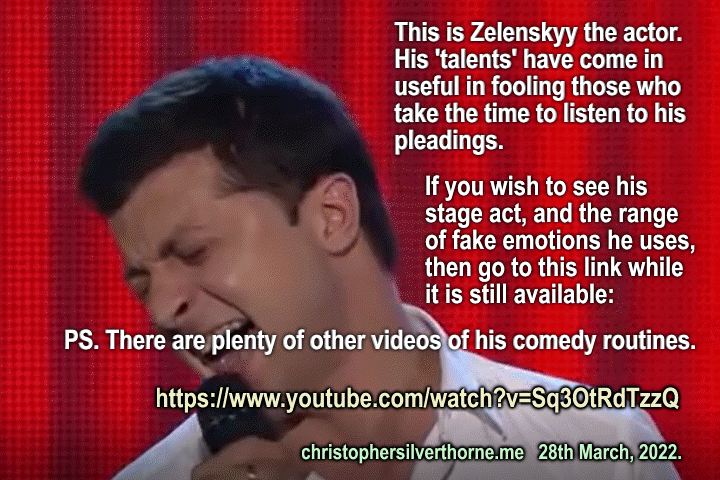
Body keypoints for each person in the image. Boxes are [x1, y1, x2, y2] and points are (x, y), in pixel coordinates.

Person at [79, 56, 680, 480]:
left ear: (333, 216)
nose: (164, 311)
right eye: (143, 284)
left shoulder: (599, 449)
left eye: (193, 253)